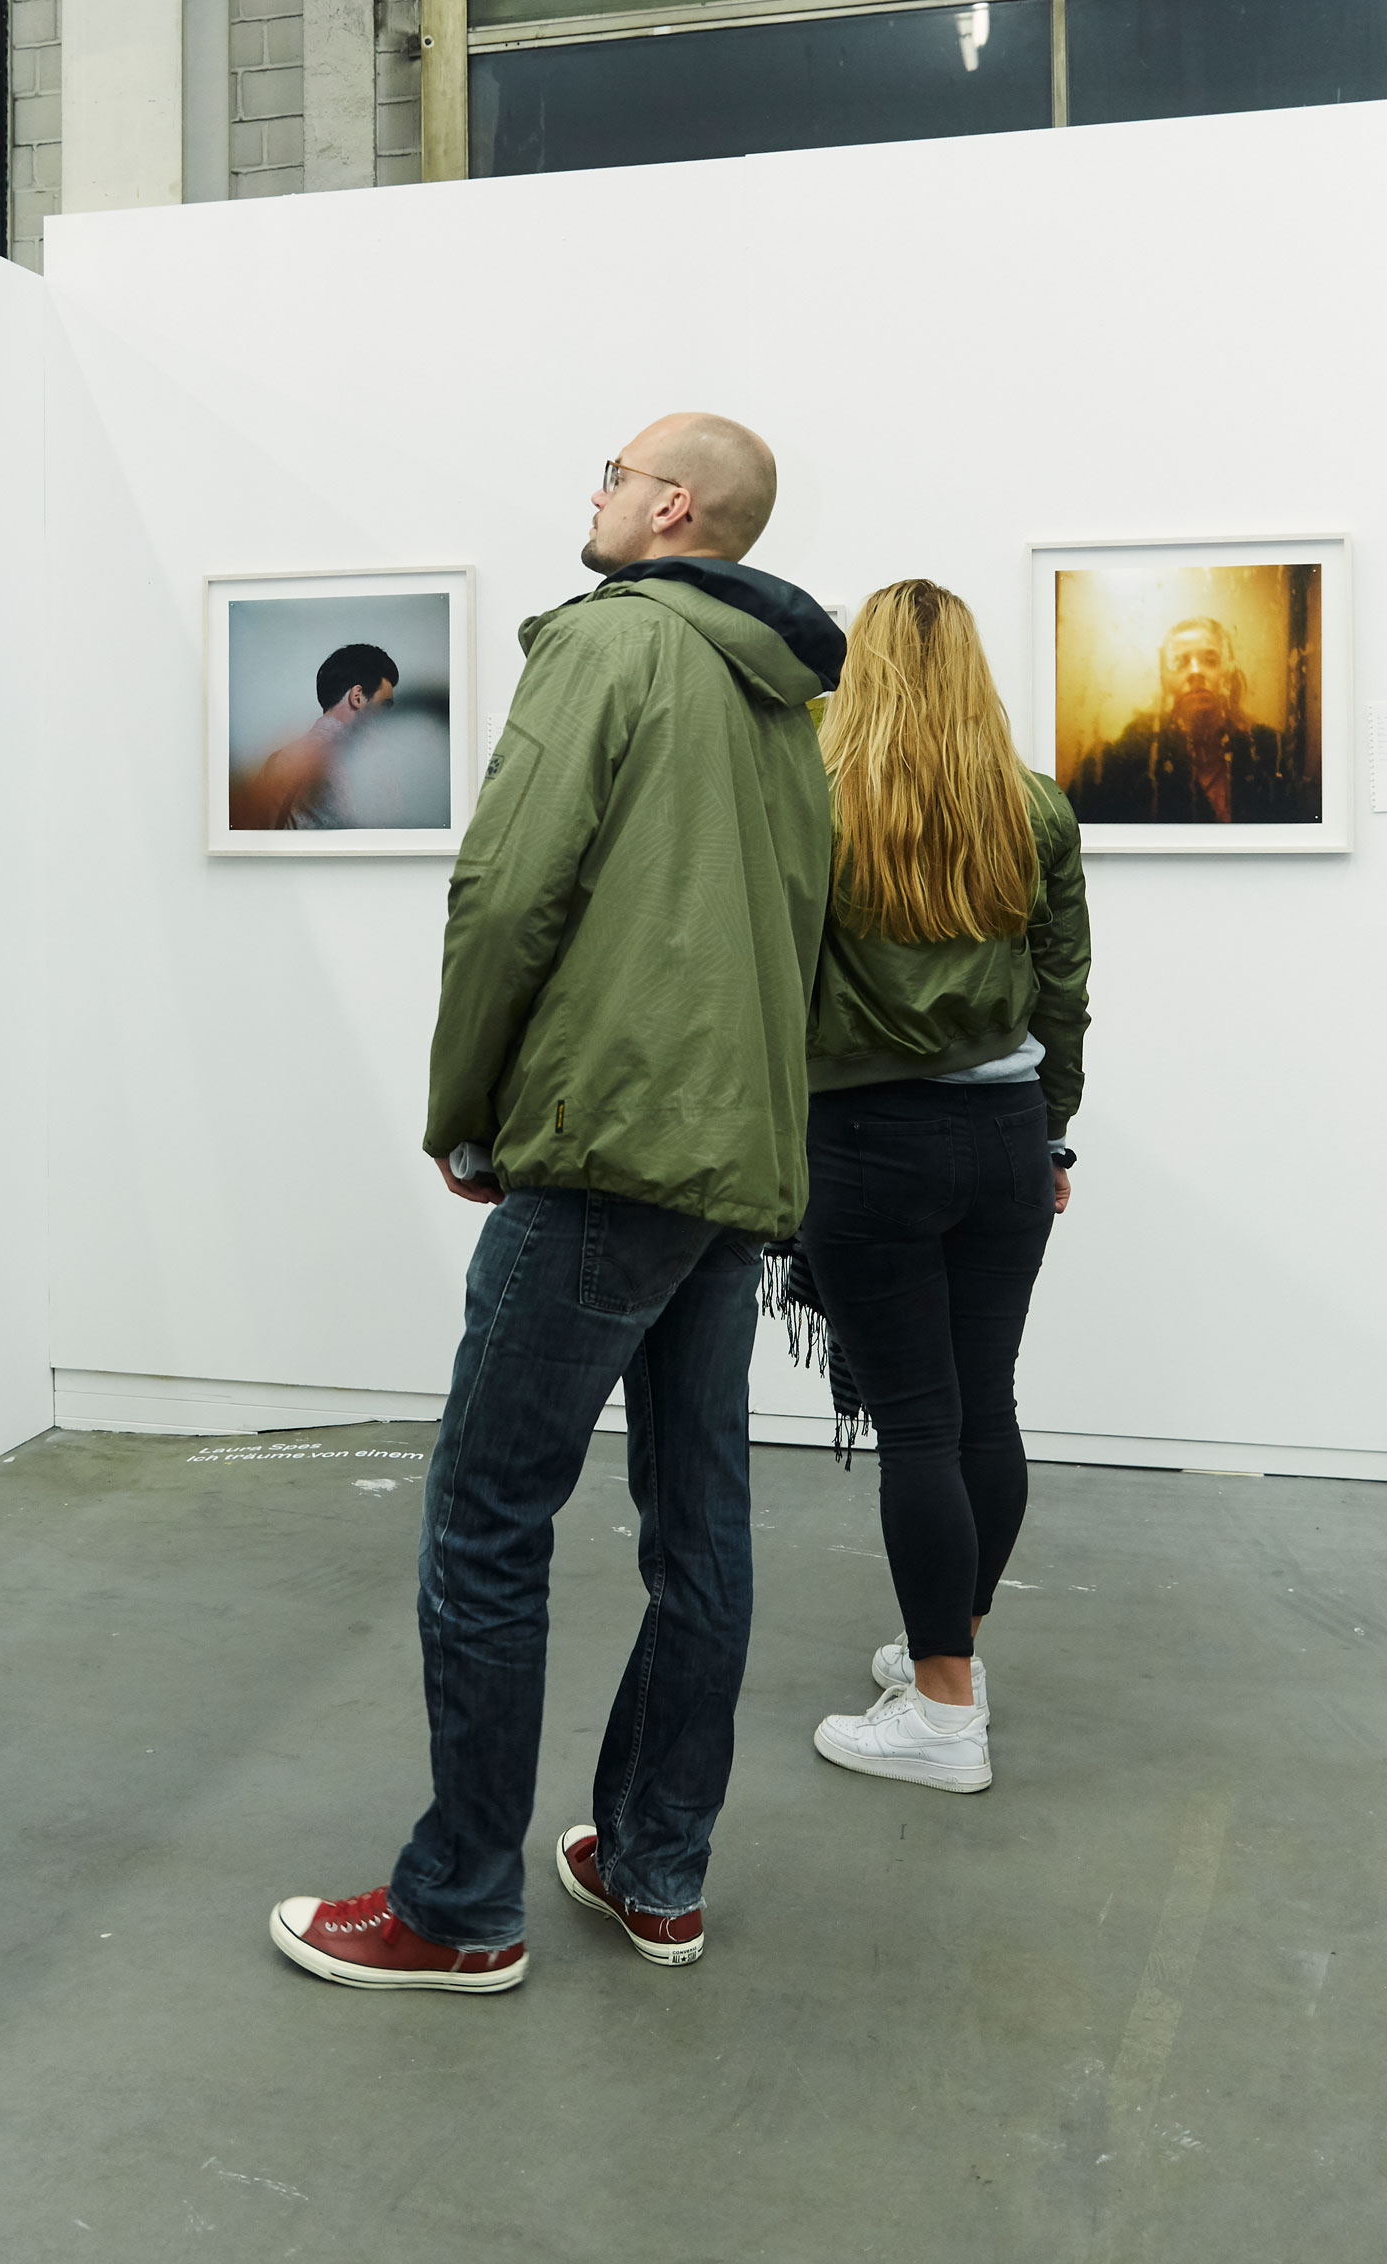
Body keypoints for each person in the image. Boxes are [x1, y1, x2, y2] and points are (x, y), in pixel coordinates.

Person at [269, 414, 845, 1992]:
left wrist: (463, 1107)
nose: (592, 493)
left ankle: (457, 1909)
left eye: (612, 472)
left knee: (484, 1520)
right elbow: (804, 933)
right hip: (727, 1163)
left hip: (604, 1147)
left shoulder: (607, 642)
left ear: (671, 507)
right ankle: (655, 1869)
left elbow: (506, 888)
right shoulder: (778, 697)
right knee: (698, 1526)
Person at [797, 579, 1089, 1795]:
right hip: (1004, 1135)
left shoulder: (813, 796)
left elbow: (774, 973)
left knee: (918, 1423)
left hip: (865, 1139)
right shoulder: (1031, 803)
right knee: (983, 1409)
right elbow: (1061, 988)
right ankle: (949, 1650)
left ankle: (940, 1710)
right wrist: (1052, 1136)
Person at [1066, 612, 1313, 825]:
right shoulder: (1135, 756)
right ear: (1164, 680)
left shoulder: (1267, 752)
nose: (1196, 672)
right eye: (1180, 662)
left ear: (1228, 673)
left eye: (1211, 661)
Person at [231, 641, 398, 831]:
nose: (387, 717)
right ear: (357, 696)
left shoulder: (275, 760)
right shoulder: (362, 767)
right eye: (384, 705)